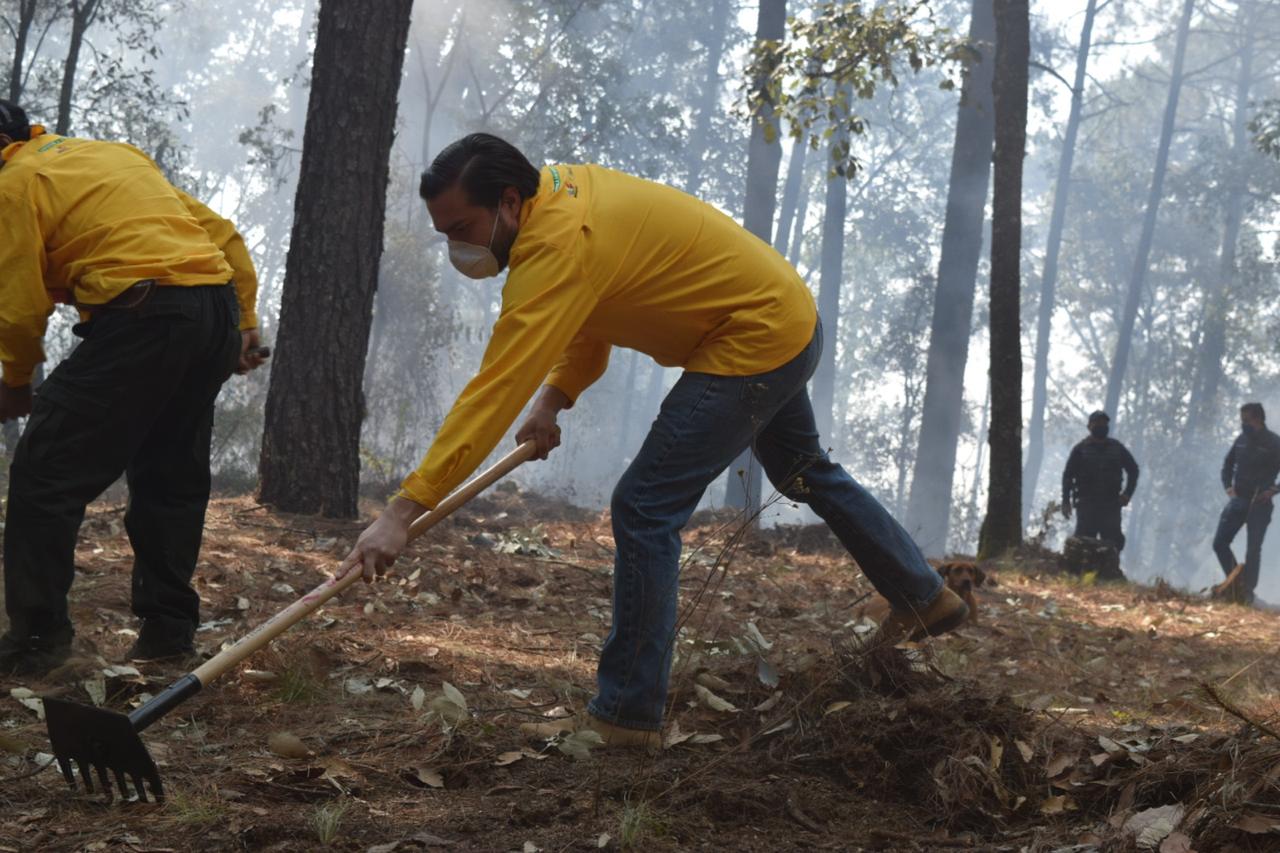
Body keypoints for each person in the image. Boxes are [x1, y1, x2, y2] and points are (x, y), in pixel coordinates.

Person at [340, 133, 968, 749]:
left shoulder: (556, 245)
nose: (457, 246)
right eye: (445, 232)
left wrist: (402, 513)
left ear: (507, 202)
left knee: (644, 506)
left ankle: (626, 715)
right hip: (786, 319)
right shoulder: (558, 201)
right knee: (803, 468)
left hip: (750, 337)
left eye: (462, 227)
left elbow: (493, 391)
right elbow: (589, 318)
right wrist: (552, 400)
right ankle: (923, 595)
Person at [0, 101, 268, 675]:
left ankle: (38, 645)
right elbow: (223, 236)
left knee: (44, 476)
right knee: (170, 478)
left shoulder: (14, 182)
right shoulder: (111, 156)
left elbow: (18, 307)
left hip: (146, 314)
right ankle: (168, 638)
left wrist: (15, 382)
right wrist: (244, 323)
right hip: (212, 311)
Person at [1212, 402, 1280, 605]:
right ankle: (1236, 585)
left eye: (1246, 420)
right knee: (1219, 543)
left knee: (1253, 549)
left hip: (1260, 504)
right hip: (1238, 501)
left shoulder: (1274, 443)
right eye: (1242, 420)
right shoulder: (1241, 440)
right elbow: (1227, 465)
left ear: (1258, 419)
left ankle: (1247, 592)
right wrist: (1228, 488)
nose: (1243, 424)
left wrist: (1273, 490)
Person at [1061, 411, 1139, 551]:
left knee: (1112, 544)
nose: (1101, 426)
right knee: (1083, 545)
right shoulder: (1080, 449)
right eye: (1097, 423)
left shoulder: (1117, 448)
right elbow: (1068, 476)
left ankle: (1109, 565)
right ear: (1089, 426)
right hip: (1086, 504)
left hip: (1111, 505)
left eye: (1104, 423)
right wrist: (1066, 501)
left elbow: (1133, 470)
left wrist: (1127, 494)